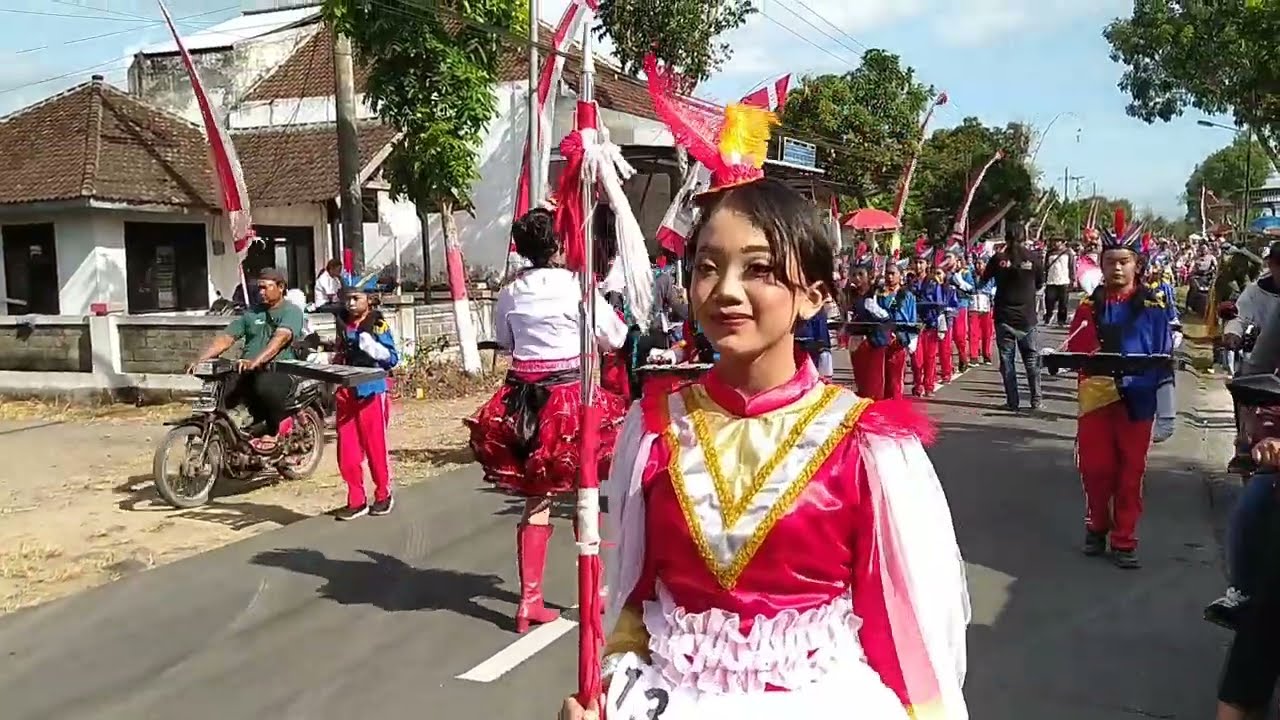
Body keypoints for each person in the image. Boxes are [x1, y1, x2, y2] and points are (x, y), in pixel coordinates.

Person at [559, 175, 968, 720]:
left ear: (813, 297)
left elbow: (894, 621)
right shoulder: (656, 428)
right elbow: (637, 598)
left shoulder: (863, 444)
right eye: (707, 267)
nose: (725, 290)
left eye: (759, 269)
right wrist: (607, 691)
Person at [466, 207, 629, 634]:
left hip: (522, 400)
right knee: (584, 493)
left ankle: (529, 601)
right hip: (571, 398)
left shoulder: (510, 292)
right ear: (559, 244)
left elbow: (505, 342)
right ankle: (593, 593)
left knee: (536, 497)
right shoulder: (577, 286)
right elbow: (615, 337)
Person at [1061, 210, 1175, 569]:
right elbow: (1075, 350)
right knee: (1095, 470)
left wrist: (1167, 410)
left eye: (1124, 261)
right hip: (1096, 399)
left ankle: (1124, 538)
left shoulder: (1154, 308)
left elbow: (1164, 359)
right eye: (1110, 261)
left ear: (1137, 265)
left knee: (1130, 474)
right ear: (1101, 264)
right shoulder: (1088, 307)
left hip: (1138, 401)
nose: (1117, 268)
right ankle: (1097, 523)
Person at [189, 267, 305, 452]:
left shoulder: (291, 311)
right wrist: (200, 360)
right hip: (248, 368)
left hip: (280, 369)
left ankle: (273, 429)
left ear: (281, 287)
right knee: (222, 390)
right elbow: (226, 338)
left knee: (264, 387)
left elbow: (280, 339)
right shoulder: (252, 313)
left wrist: (256, 361)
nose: (261, 292)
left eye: (265, 287)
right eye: (259, 288)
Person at [328, 283, 400, 520]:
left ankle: (383, 494)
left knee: (375, 446)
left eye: (356, 298)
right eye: (347, 299)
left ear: (368, 299)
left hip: (371, 390)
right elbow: (340, 352)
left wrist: (375, 349)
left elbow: (392, 358)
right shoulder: (342, 323)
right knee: (347, 450)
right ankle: (356, 500)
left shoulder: (376, 324)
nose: (350, 304)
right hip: (346, 391)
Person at [980, 224, 1043, 411]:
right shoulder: (1033, 258)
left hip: (1004, 316)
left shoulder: (998, 259)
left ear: (1005, 238)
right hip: (1027, 317)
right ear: (1025, 237)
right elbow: (1040, 283)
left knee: (1007, 362)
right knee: (1031, 360)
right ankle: (1036, 400)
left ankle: (1012, 402)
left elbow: (984, 280)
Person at [850, 262, 918, 400]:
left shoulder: (907, 295)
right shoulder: (879, 295)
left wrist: (911, 339)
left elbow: (912, 318)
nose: (890, 277)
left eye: (893, 273)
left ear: (900, 275)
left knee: (895, 379)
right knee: (879, 379)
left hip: (898, 339)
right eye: (887, 273)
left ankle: (895, 405)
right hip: (881, 339)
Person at [913, 264, 950, 397]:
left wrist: (933, 318)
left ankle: (928, 386)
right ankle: (918, 384)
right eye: (916, 262)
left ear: (926, 264)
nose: (918, 265)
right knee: (916, 359)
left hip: (930, 324)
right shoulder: (911, 282)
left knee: (930, 357)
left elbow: (939, 304)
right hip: (915, 325)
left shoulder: (933, 282)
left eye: (921, 262)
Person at [1042, 237, 1075, 327]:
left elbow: (1071, 267)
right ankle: (1048, 318)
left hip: (1064, 280)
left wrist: (1072, 279)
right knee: (1049, 301)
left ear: (1063, 242)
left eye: (1058, 241)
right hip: (1051, 280)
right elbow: (1046, 267)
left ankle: (1061, 320)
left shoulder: (1068, 253)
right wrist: (1044, 279)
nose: (1056, 243)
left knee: (1063, 303)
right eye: (1054, 241)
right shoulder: (1049, 253)